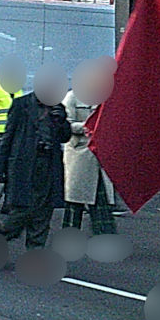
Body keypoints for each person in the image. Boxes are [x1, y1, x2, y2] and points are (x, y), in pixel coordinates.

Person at [0, 88, 70, 249]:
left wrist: (62, 121)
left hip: (48, 164)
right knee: (23, 208)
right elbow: (8, 136)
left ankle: (35, 250)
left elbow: (64, 137)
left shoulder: (58, 107)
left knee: (44, 209)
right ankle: (4, 234)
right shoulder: (22, 104)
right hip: (24, 165)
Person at [61, 87, 115, 235]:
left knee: (101, 200)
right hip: (79, 153)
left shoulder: (105, 97)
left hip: (100, 154)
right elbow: (65, 124)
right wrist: (89, 126)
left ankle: (104, 235)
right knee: (75, 200)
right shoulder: (72, 97)